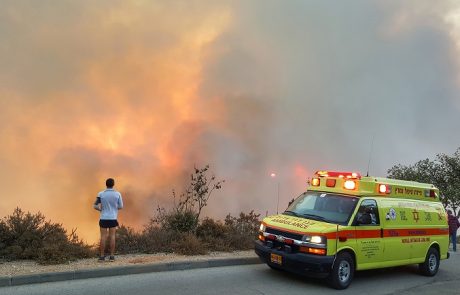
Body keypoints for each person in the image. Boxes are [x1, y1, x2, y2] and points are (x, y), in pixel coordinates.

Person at [93, 178, 123, 261]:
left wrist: (101, 209)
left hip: (103, 218)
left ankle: (102, 256)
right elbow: (121, 206)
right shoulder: (117, 194)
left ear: (106, 184)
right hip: (113, 218)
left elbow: (95, 205)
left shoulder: (101, 194)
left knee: (103, 237)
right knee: (112, 237)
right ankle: (112, 256)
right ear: (113, 184)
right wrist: (114, 208)